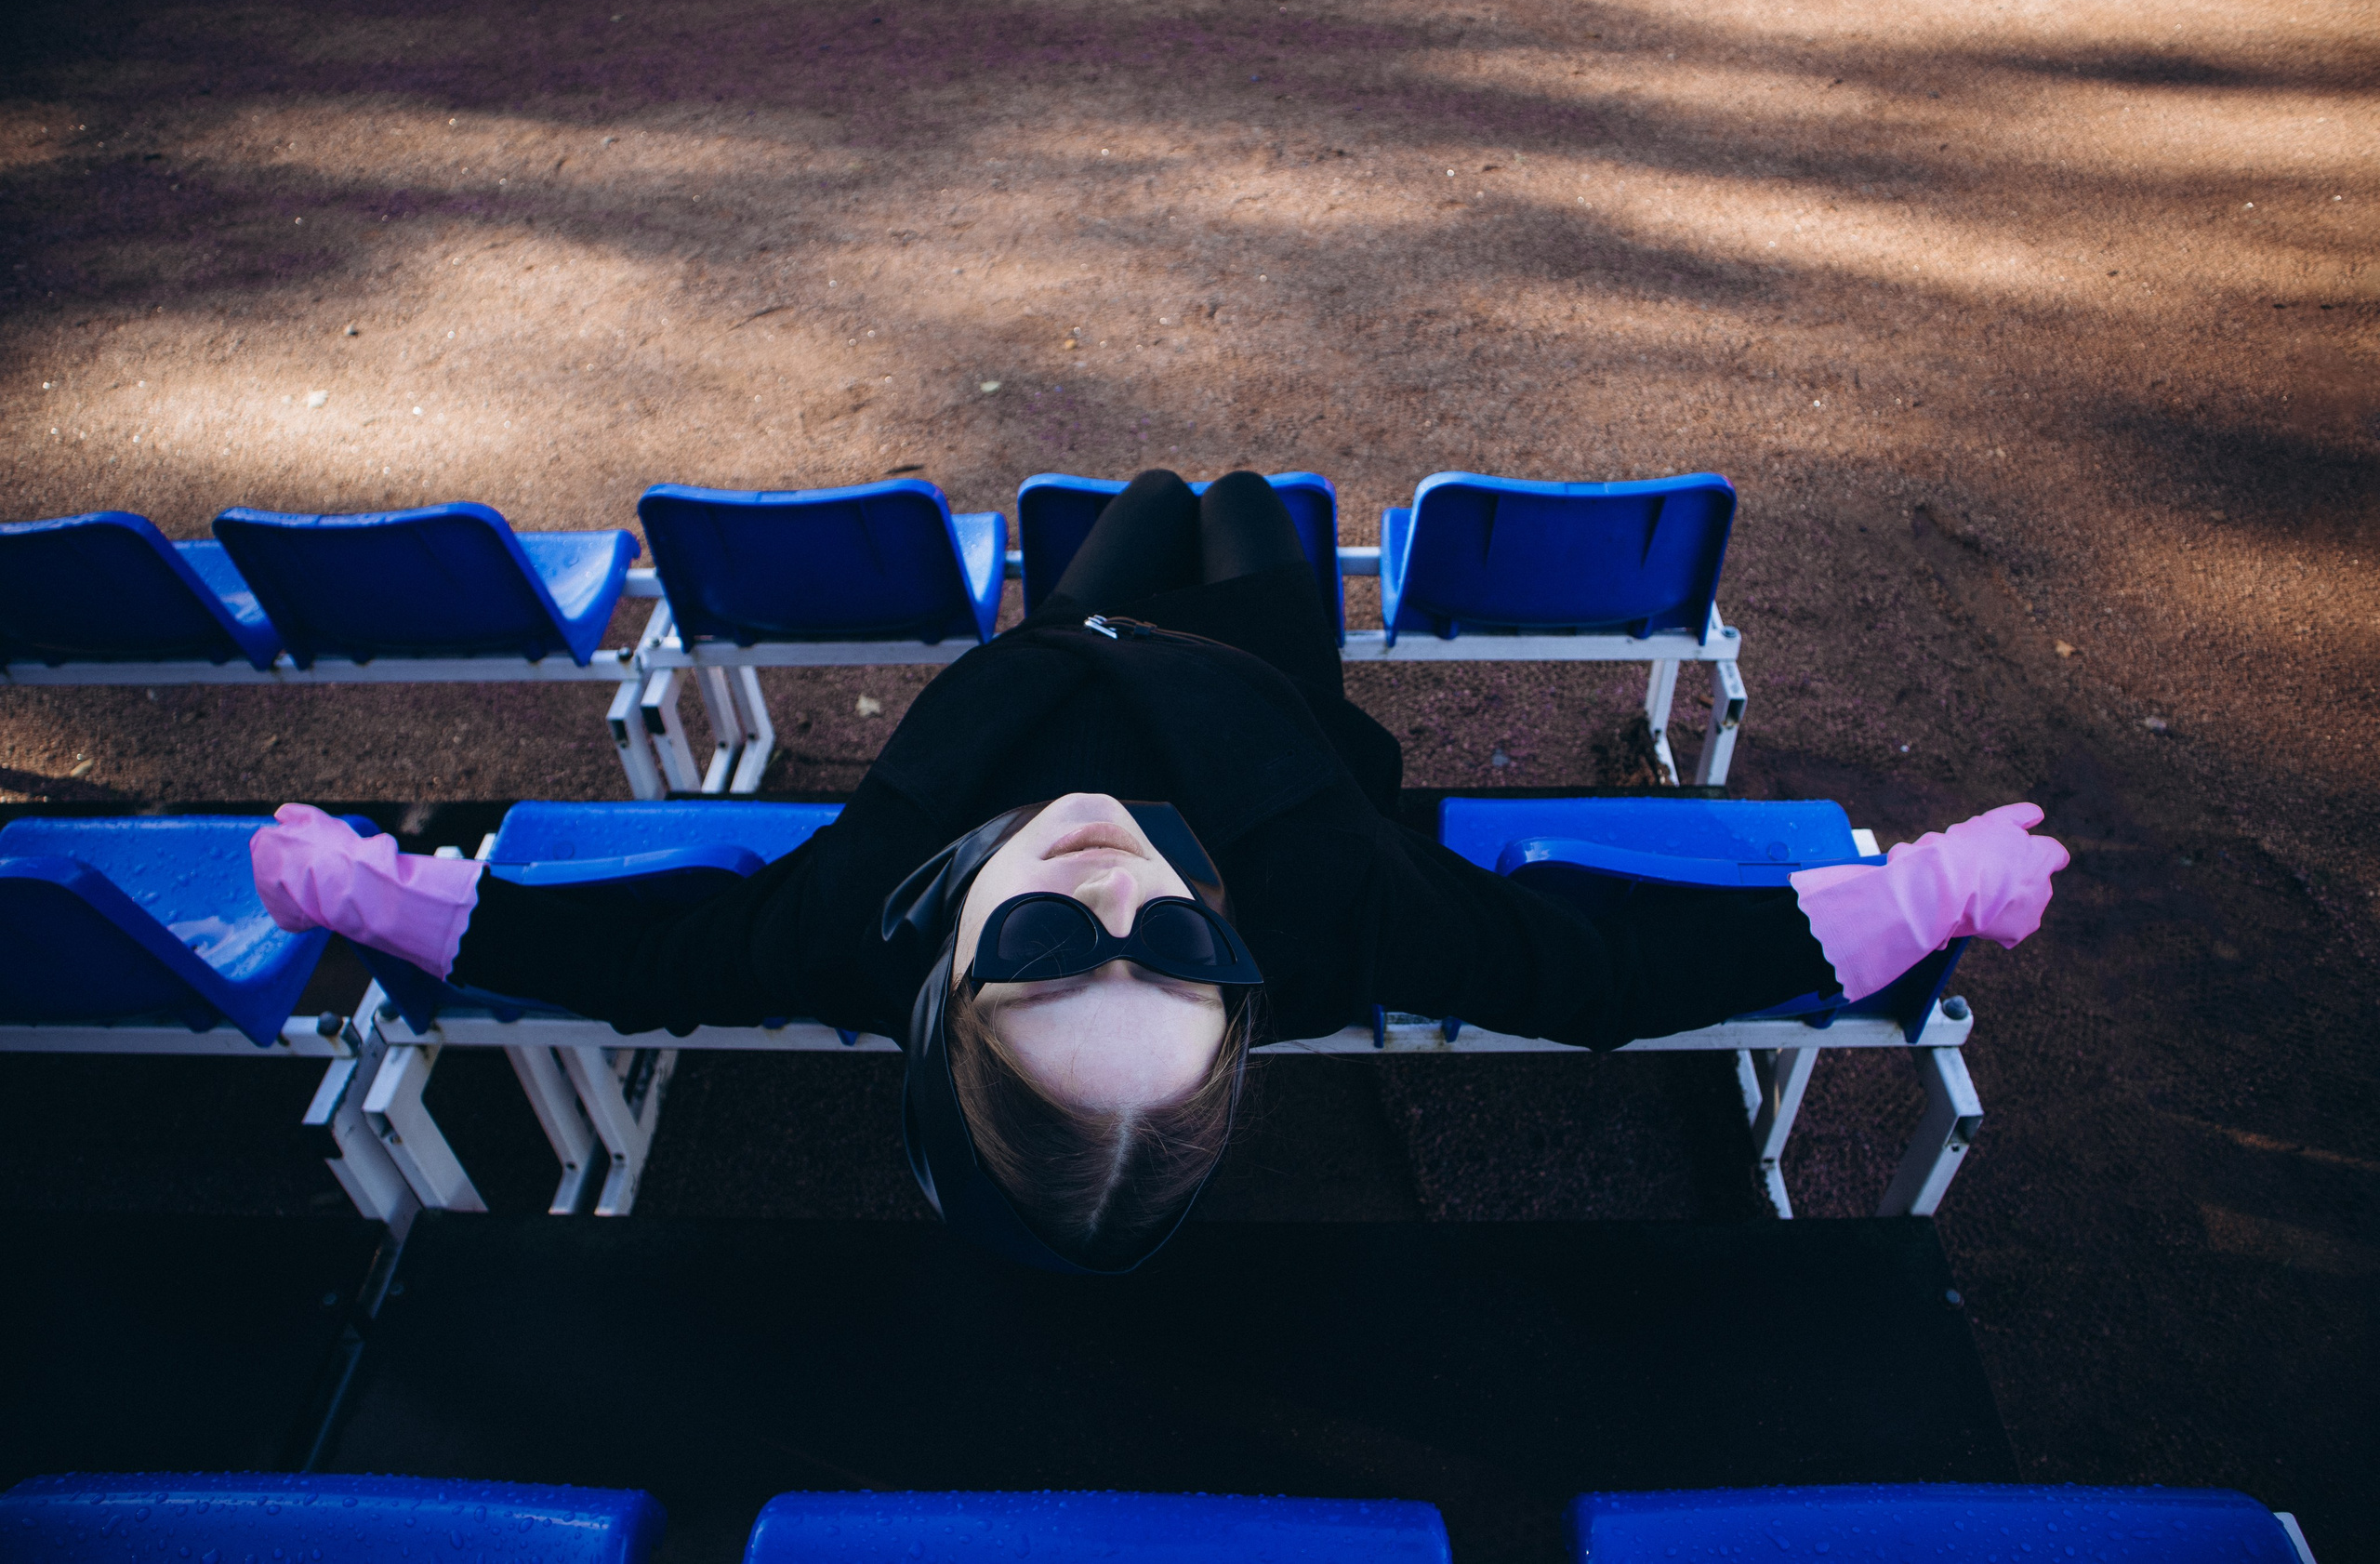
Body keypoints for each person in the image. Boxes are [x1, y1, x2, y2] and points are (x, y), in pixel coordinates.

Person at [250, 470, 2068, 1271]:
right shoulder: (1338, 918)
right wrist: (1910, 898)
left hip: (1075, 632)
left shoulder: (839, 927)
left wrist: (386, 896)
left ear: (940, 992)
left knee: (1136, 487)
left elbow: (647, 953)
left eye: (1039, 941)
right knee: (1245, 501)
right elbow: (1583, 968)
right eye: (1177, 947)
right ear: (1240, 980)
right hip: (1254, 667)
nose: (1107, 880)